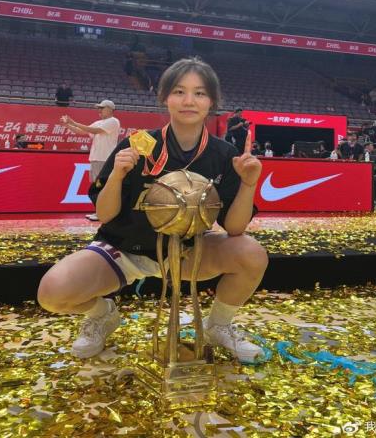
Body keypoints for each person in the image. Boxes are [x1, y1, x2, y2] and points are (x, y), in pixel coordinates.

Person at [38, 57, 269, 364]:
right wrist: (117, 175)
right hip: (124, 249)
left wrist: (249, 184)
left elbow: (235, 229)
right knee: (52, 292)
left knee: (251, 253)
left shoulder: (224, 154)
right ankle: (102, 314)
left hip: (187, 252)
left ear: (212, 101)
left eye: (199, 93)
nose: (189, 101)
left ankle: (219, 325)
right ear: (164, 97)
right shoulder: (138, 144)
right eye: (179, 91)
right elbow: (105, 215)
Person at [61, 100, 120, 221]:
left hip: (105, 159)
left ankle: (103, 213)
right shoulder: (99, 122)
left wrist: (74, 122)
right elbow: (82, 131)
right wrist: (67, 125)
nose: (99, 110)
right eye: (99, 108)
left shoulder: (113, 121)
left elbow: (94, 130)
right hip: (95, 158)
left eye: (102, 108)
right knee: (97, 187)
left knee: (103, 187)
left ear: (110, 109)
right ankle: (99, 211)